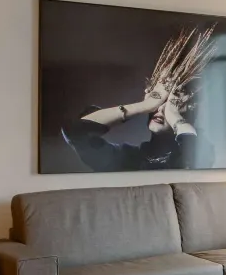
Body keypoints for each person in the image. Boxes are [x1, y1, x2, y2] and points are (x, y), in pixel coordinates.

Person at [61, 27, 215, 171]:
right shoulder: (127, 159)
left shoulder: (199, 151)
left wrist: (174, 115)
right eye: (159, 97)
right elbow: (75, 132)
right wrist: (146, 104)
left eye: (171, 103)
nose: (160, 108)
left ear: (190, 110)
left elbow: (193, 162)